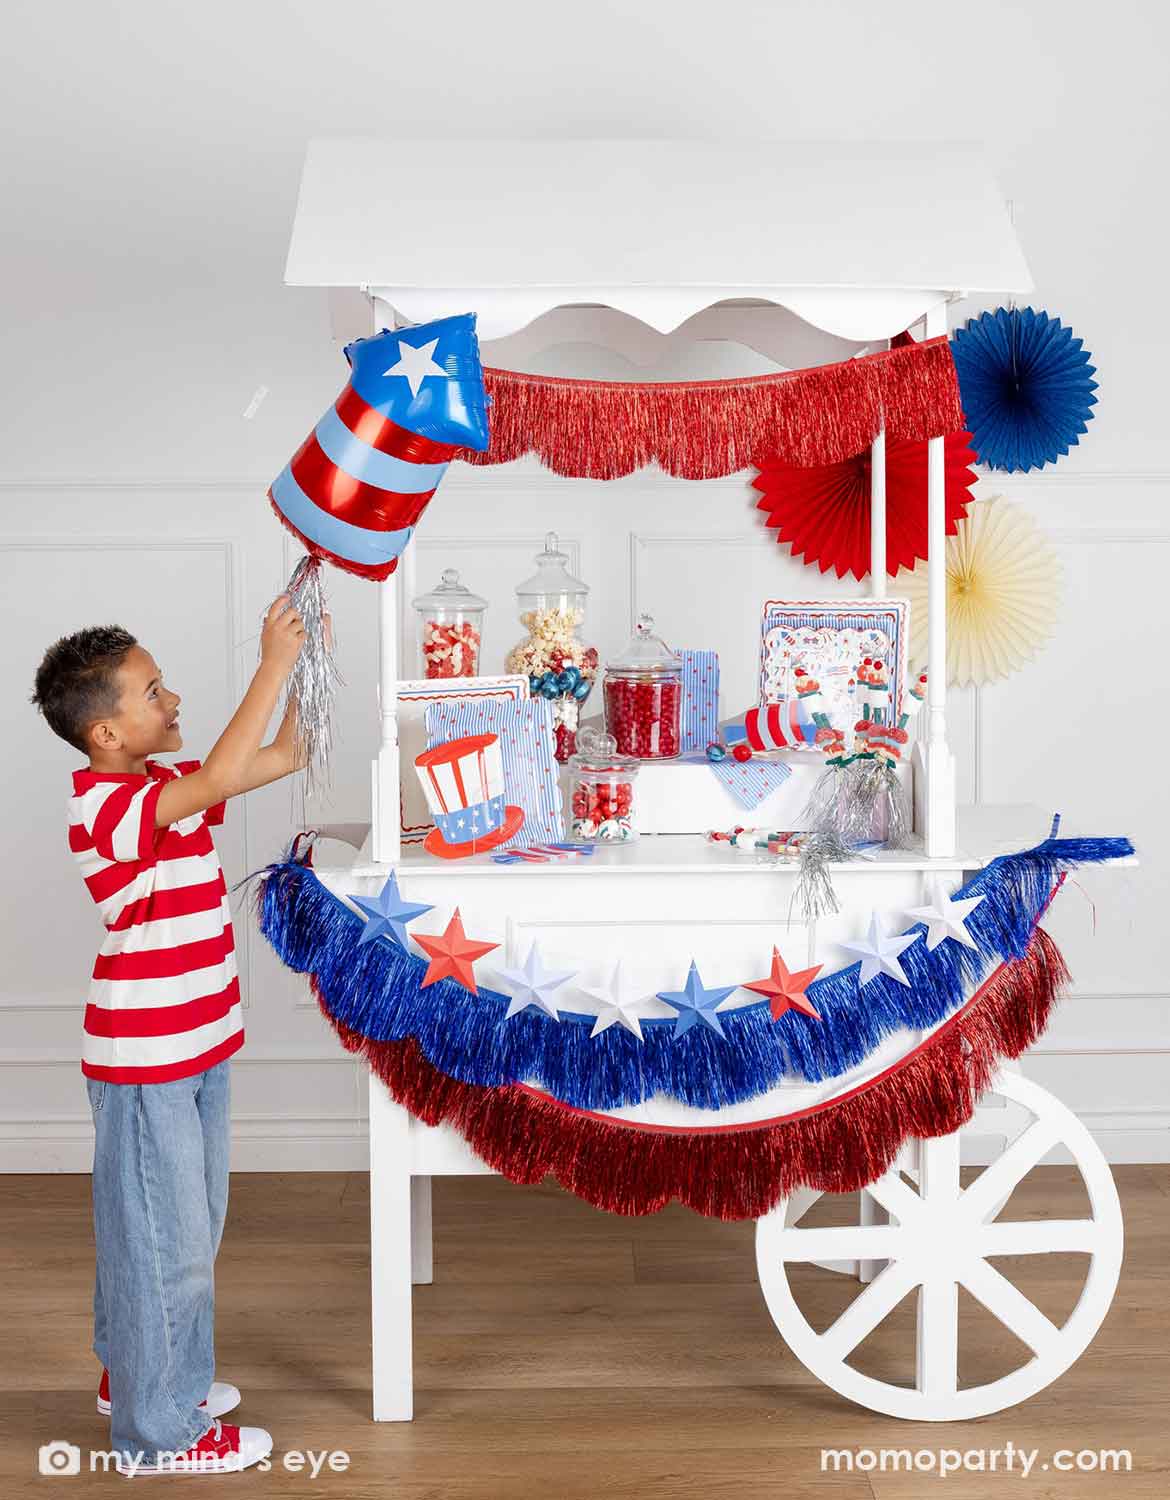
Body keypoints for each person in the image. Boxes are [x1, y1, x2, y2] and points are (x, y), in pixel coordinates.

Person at [30, 593, 310, 1476]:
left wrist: (306, 661)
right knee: (168, 1239)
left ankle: (144, 1376)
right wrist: (269, 661)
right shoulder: (105, 810)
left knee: (176, 1227)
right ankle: (158, 1433)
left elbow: (283, 754)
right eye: (154, 692)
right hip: (148, 1058)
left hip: (194, 1045)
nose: (173, 700)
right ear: (105, 732)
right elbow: (226, 774)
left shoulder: (157, 790)